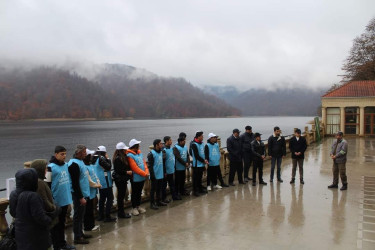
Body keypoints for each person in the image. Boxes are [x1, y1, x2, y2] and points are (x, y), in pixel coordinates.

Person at [9, 168, 52, 250]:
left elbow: (13, 212)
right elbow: (40, 217)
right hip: (36, 236)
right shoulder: (33, 196)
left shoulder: (13, 194)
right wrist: (49, 219)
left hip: (20, 233)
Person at [47, 146, 75, 250]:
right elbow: (47, 184)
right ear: (56, 155)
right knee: (55, 226)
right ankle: (57, 246)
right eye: (62, 154)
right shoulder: (50, 167)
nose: (64, 156)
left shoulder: (65, 165)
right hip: (56, 201)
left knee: (62, 224)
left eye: (65, 154)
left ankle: (62, 243)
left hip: (65, 199)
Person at [68, 144, 91, 245]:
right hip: (78, 195)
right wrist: (80, 197)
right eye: (84, 152)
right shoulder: (73, 164)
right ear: (78, 153)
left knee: (81, 215)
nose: (85, 154)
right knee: (77, 216)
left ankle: (80, 233)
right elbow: (75, 183)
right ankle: (77, 237)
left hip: (84, 192)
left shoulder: (80, 161)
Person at [93, 146, 116, 222]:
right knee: (110, 198)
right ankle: (107, 216)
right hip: (105, 181)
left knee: (102, 199)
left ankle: (101, 216)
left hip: (100, 181)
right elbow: (109, 167)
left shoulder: (94, 158)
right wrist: (108, 159)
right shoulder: (102, 158)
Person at [126, 139, 149, 216]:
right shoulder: (129, 155)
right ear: (134, 146)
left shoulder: (139, 153)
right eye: (138, 145)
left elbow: (144, 163)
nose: (139, 146)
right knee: (135, 193)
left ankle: (138, 206)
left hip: (142, 177)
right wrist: (144, 173)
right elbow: (134, 167)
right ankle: (134, 208)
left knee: (139, 192)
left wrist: (146, 171)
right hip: (135, 178)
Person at [112, 142, 132, 219]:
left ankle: (121, 212)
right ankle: (121, 213)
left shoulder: (120, 157)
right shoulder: (118, 158)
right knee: (121, 197)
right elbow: (118, 170)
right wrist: (126, 172)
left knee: (122, 196)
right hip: (120, 180)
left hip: (122, 179)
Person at [83, 149, 101, 231]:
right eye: (90, 155)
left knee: (91, 208)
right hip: (88, 192)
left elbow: (94, 175)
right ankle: (88, 226)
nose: (91, 157)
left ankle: (91, 224)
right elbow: (88, 180)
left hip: (92, 191)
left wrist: (98, 182)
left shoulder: (90, 165)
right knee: (88, 210)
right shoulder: (84, 167)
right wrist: (96, 185)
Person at [148, 139, 167, 209]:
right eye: (160, 144)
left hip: (160, 174)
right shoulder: (151, 154)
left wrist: (164, 172)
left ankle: (158, 201)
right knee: (153, 190)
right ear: (156, 145)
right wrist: (152, 176)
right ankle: (152, 203)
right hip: (155, 175)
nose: (162, 145)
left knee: (159, 189)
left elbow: (162, 163)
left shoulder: (161, 152)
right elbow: (150, 166)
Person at [191, 131, 208, 196]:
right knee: (195, 178)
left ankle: (200, 189)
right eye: (202, 136)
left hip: (201, 164)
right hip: (196, 165)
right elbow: (196, 155)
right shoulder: (194, 144)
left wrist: (205, 159)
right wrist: (203, 160)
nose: (203, 137)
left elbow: (203, 153)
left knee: (200, 177)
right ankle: (195, 191)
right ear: (198, 137)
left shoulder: (202, 143)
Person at [162, 136, 179, 201]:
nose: (171, 141)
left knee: (172, 185)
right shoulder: (164, 150)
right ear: (166, 141)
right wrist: (165, 171)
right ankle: (164, 198)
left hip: (171, 170)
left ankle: (174, 196)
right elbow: (163, 162)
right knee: (164, 186)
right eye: (170, 140)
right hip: (166, 171)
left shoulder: (171, 149)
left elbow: (173, 159)